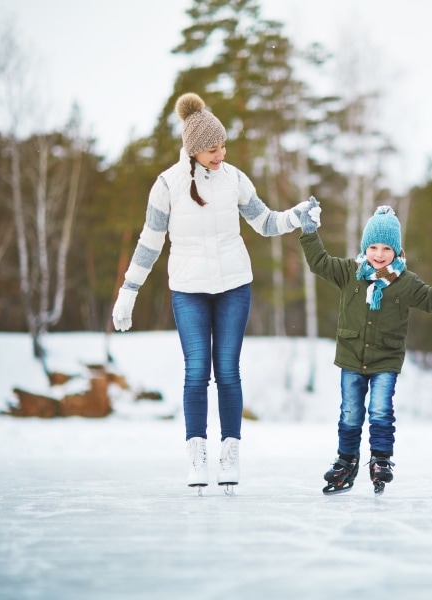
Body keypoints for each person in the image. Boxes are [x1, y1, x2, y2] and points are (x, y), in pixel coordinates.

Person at [111, 92, 320, 494]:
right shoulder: (167, 185)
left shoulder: (235, 179)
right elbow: (149, 243)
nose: (220, 153)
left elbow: (265, 223)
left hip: (233, 287)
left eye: (222, 145)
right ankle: (196, 453)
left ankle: (230, 451)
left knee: (227, 370)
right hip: (188, 290)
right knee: (195, 372)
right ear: (192, 149)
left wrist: (296, 215)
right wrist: (128, 291)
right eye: (211, 148)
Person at [298, 201, 432, 495]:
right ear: (365, 248)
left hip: (386, 359)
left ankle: (381, 459)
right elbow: (319, 262)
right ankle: (346, 460)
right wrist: (309, 232)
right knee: (350, 412)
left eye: (386, 249)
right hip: (351, 357)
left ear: (396, 251)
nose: (379, 254)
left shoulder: (406, 282)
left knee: (380, 410)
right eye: (373, 247)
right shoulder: (350, 272)